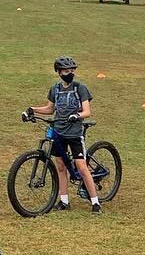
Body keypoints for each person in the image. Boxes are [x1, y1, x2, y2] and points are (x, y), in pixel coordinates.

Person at [27, 56, 101, 213]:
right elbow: (50, 109)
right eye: (66, 71)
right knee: (61, 166)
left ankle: (95, 202)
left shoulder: (80, 88)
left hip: (74, 133)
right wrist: (32, 109)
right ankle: (64, 201)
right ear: (59, 72)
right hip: (59, 131)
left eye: (72, 71)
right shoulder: (55, 89)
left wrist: (77, 116)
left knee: (81, 166)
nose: (70, 73)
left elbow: (87, 111)